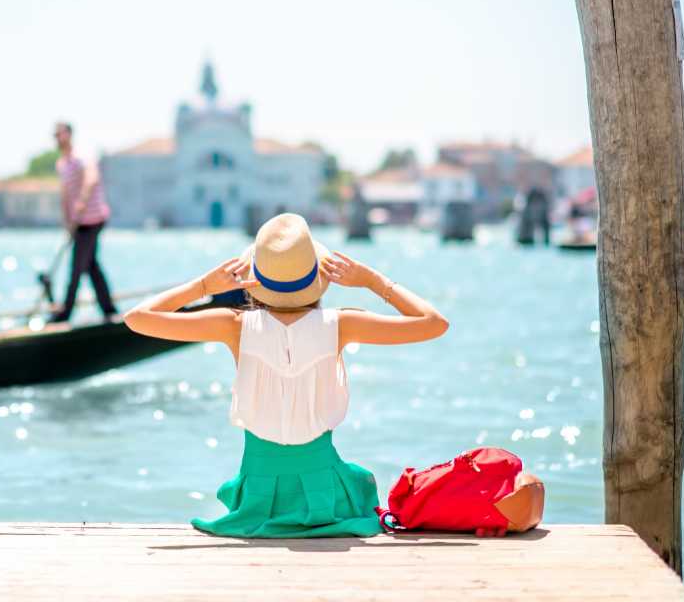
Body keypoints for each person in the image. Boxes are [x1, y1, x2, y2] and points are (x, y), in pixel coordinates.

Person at [123, 212, 449, 538]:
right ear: (315, 279)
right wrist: (373, 281)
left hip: (258, 499)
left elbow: (137, 318)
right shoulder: (342, 324)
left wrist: (204, 286)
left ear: (257, 280)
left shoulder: (233, 326)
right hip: (326, 496)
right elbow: (434, 323)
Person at [49, 121, 117, 324]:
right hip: (78, 224)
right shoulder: (62, 164)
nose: (58, 139)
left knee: (77, 266)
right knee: (90, 265)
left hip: (93, 220)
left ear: (69, 135)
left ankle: (65, 313)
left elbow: (91, 178)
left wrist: (82, 202)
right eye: (56, 135)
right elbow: (65, 195)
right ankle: (109, 309)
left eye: (61, 134)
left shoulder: (82, 157)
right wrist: (67, 222)